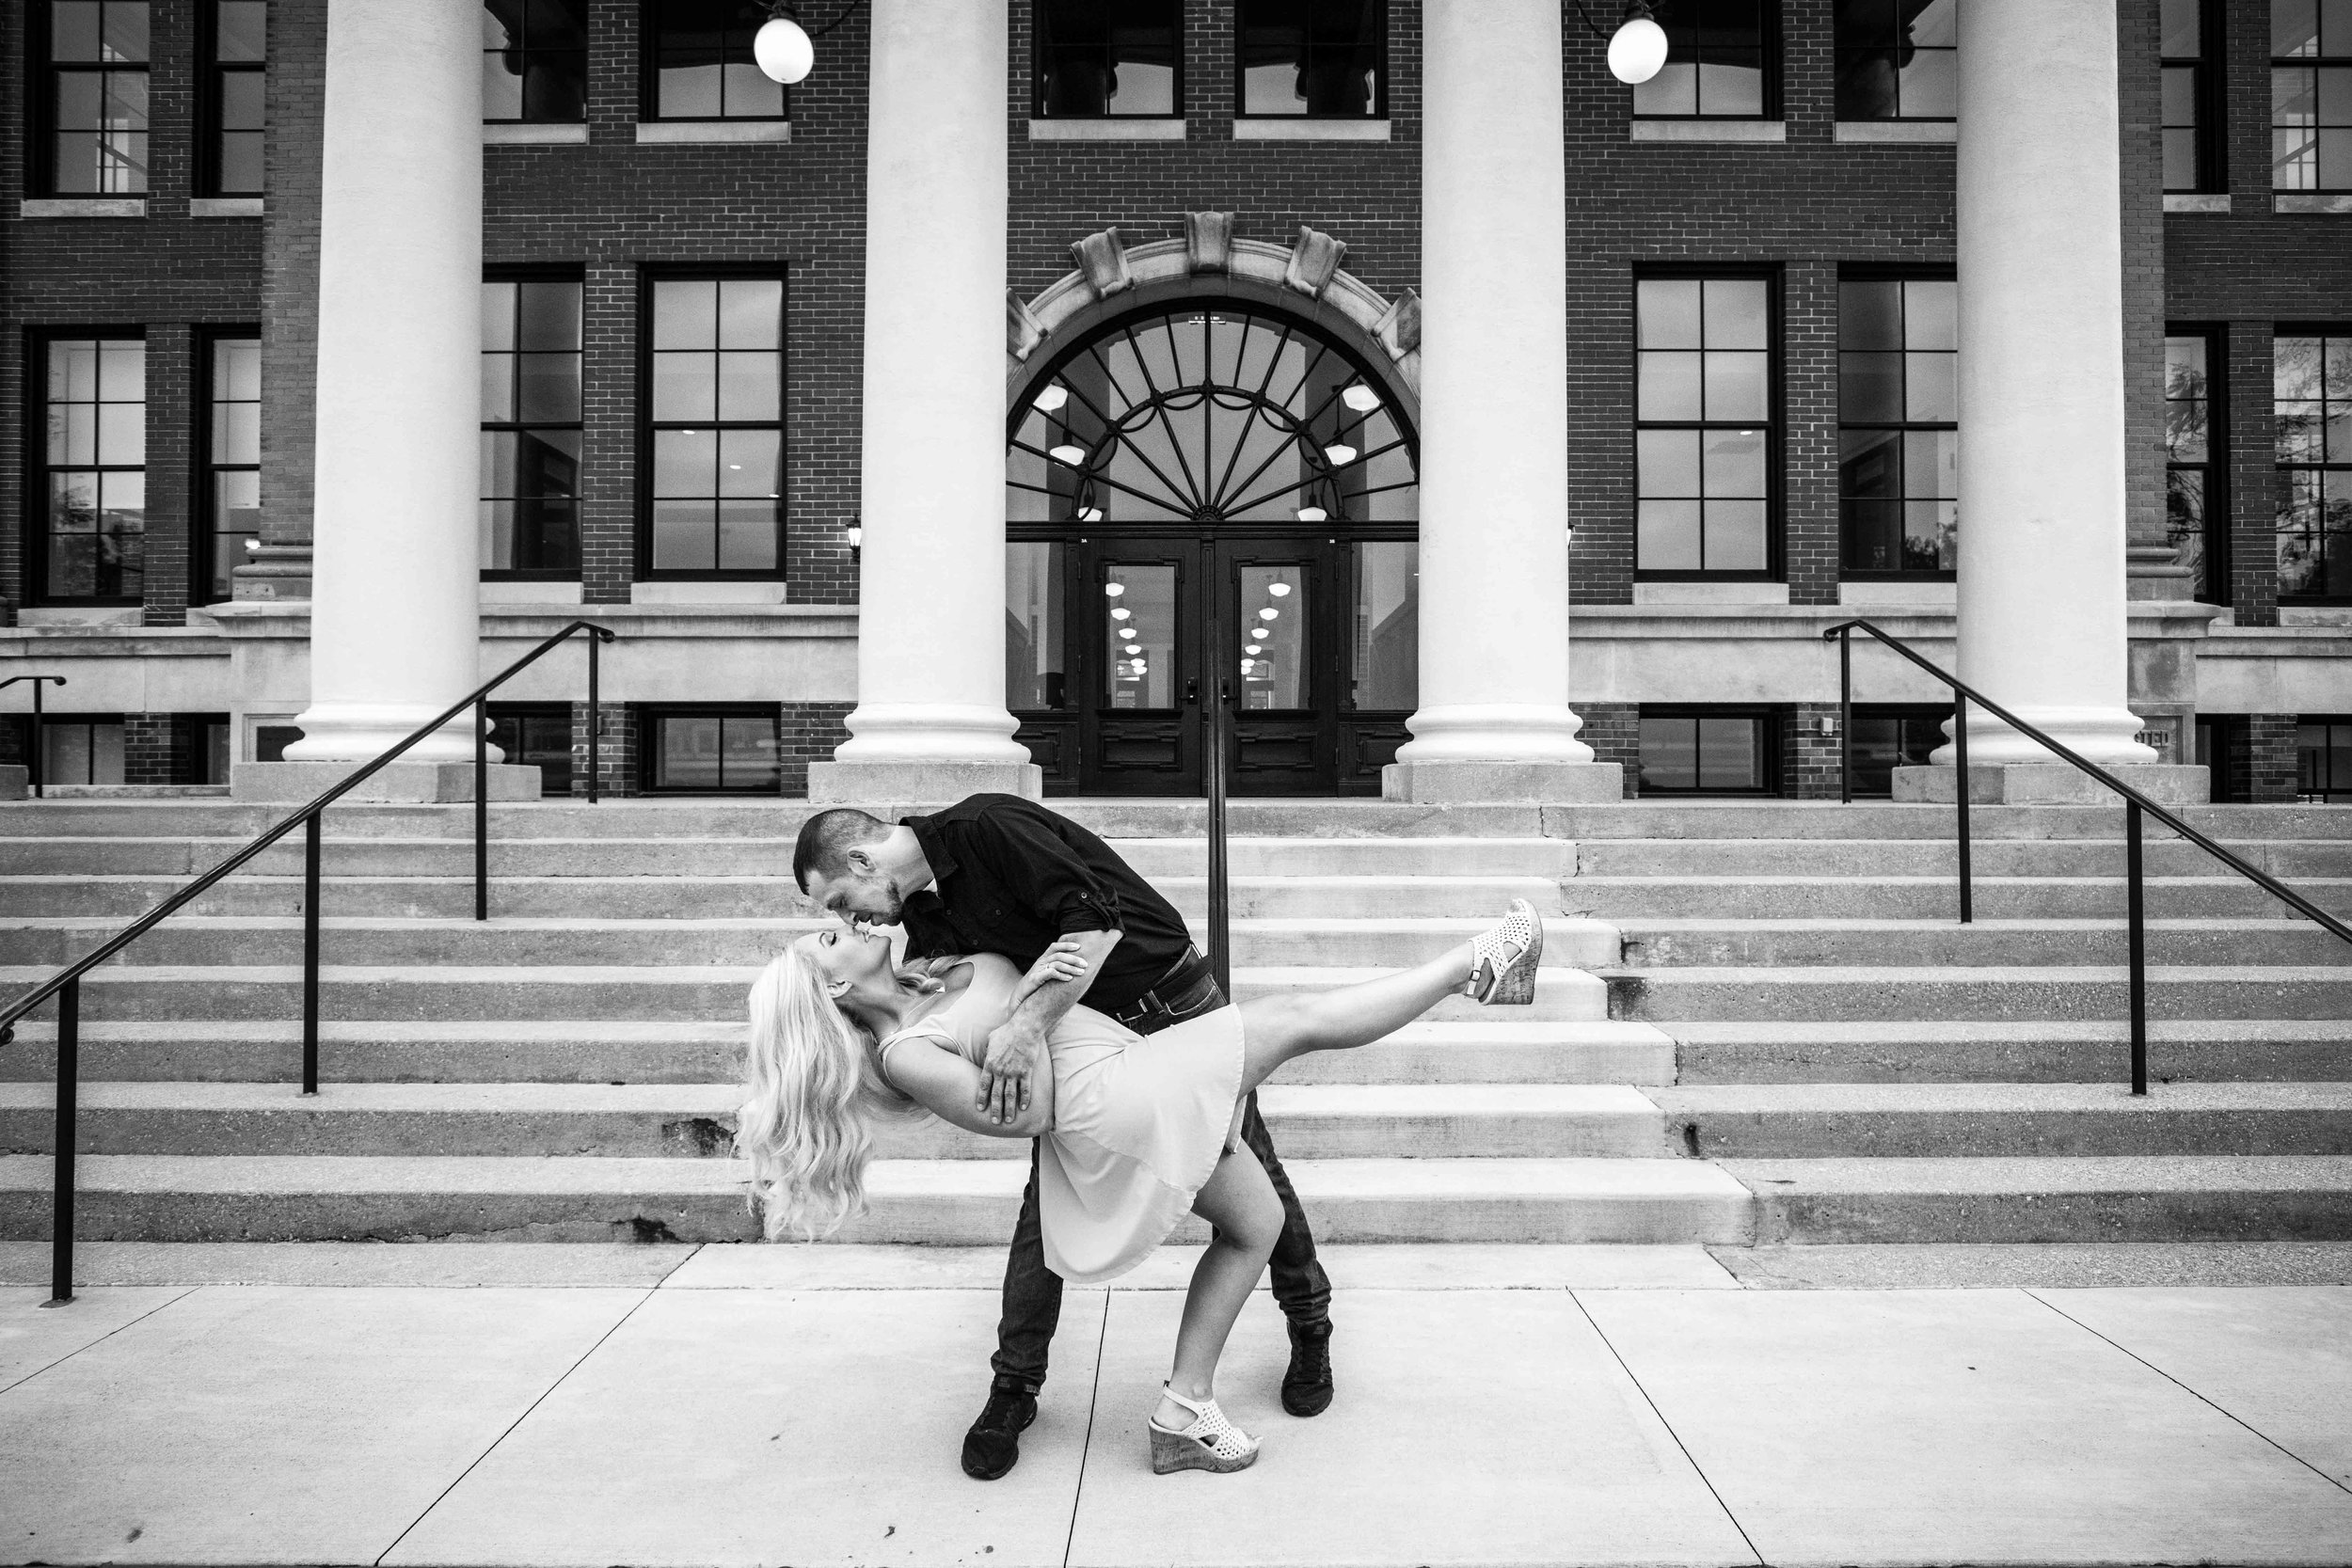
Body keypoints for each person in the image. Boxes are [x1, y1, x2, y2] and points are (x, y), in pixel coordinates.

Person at [736, 896, 1544, 1474]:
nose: (849, 924)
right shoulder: (906, 1053)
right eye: (829, 934)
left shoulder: (933, 971)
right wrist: (1028, 1006)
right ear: (834, 988)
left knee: (1254, 1221)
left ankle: (1183, 1410)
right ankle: (1477, 962)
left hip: (1133, 1060)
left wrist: (1041, 999)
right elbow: (1033, 1114)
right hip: (1114, 1103)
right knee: (1297, 1018)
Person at [786, 797, 1331, 1480]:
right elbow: (958, 1012)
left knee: (1255, 1170)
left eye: (841, 899)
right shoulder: (922, 916)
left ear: (862, 859)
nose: (851, 918)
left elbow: (1095, 923)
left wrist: (1022, 1030)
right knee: (1041, 1213)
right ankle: (1013, 1388)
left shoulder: (986, 828)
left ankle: (1310, 1325)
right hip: (1085, 1050)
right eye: (837, 919)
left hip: (1171, 999)